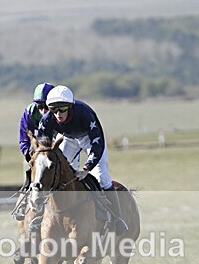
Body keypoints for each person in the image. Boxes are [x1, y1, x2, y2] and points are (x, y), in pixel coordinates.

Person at [37, 85, 128, 235]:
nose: (58, 114)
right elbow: (42, 147)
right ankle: (47, 214)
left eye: (62, 109)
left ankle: (118, 219)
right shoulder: (47, 120)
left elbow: (97, 144)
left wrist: (86, 169)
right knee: (59, 173)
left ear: (70, 107)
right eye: (54, 110)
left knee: (103, 177)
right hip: (69, 138)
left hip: (90, 139)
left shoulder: (85, 113)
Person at [13, 82, 54, 221]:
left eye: (46, 106)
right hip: (39, 148)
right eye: (40, 106)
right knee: (30, 167)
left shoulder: (60, 111)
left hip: (58, 146)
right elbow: (24, 139)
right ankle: (25, 195)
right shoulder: (29, 112)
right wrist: (29, 155)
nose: (43, 110)